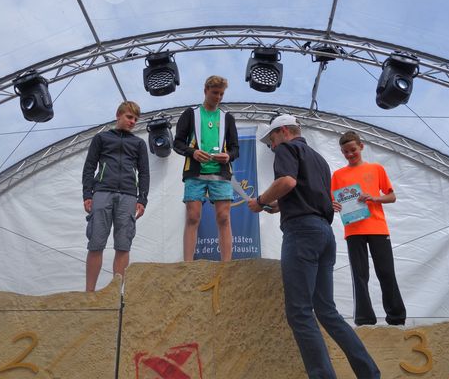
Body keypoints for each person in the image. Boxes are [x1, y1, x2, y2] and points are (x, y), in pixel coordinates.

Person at [248, 115, 380, 379]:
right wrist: (275, 205)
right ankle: (370, 374)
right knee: (327, 311)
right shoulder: (319, 160)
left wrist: (260, 200)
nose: (272, 146)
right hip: (324, 234)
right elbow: (306, 194)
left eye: (272, 139)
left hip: (301, 234)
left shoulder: (286, 149)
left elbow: (287, 182)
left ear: (283, 131)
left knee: (299, 312)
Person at [331, 130, 406, 326]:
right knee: (359, 275)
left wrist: (374, 198)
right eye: (345, 152)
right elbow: (334, 199)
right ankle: (364, 319)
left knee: (386, 272)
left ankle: (396, 318)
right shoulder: (337, 175)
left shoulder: (376, 168)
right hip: (353, 230)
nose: (350, 154)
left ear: (361, 147)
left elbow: (392, 196)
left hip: (377, 228)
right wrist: (334, 205)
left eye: (353, 150)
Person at [82, 101, 150, 291]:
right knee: (96, 243)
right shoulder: (101, 138)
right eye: (129, 117)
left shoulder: (139, 143)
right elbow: (89, 167)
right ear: (118, 115)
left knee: (123, 245)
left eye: (135, 119)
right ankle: (89, 293)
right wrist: (87, 194)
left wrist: (142, 199)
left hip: (128, 196)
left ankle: (116, 293)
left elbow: (144, 173)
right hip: (102, 192)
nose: (132, 122)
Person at [173, 75, 239, 262]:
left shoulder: (227, 118)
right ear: (205, 91)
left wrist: (228, 156)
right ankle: (188, 264)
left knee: (224, 217)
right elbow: (177, 143)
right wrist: (192, 152)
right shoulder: (190, 114)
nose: (218, 97)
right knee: (193, 217)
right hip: (195, 173)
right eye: (215, 93)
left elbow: (235, 148)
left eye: (221, 94)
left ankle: (226, 265)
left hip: (221, 173)